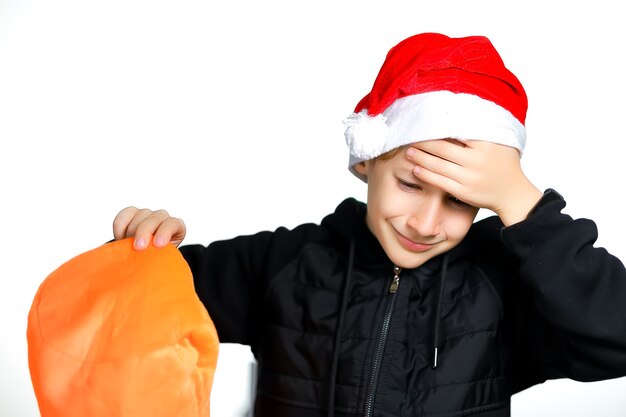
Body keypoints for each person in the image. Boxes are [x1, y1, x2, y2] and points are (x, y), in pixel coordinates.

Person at [112, 33, 626, 416]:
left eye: (460, 200)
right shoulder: (285, 265)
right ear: (367, 162)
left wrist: (526, 208)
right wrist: (137, 251)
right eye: (409, 184)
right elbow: (127, 316)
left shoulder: (504, 287)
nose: (426, 223)